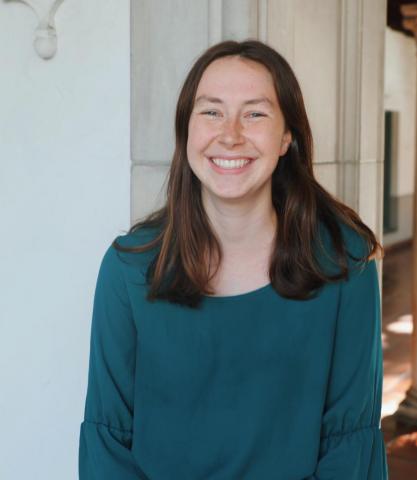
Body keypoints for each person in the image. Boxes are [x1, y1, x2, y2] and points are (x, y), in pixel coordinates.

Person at [78, 39, 388, 479]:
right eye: (211, 111)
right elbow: (109, 441)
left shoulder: (344, 264)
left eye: (255, 113)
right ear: (186, 130)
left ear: (287, 137)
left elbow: (349, 447)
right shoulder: (128, 269)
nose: (230, 134)